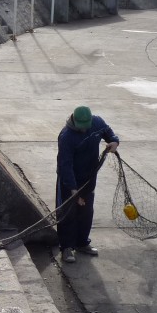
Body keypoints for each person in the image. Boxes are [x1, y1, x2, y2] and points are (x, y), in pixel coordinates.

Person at [56, 105, 120, 264]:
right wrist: (73, 190)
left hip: (89, 177)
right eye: (81, 128)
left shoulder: (97, 123)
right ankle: (67, 247)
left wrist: (114, 141)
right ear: (74, 121)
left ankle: (82, 243)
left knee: (86, 212)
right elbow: (65, 165)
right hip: (69, 180)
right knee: (68, 213)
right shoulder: (66, 137)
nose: (84, 130)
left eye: (86, 127)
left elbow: (108, 132)